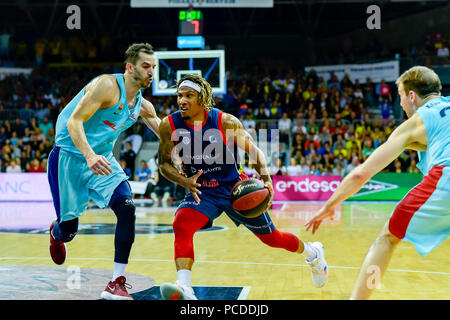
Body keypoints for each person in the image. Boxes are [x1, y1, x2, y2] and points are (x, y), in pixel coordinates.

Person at [157, 74, 328, 300]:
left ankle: (313, 253)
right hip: (203, 191)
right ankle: (185, 286)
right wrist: (184, 181)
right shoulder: (168, 125)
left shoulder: (225, 121)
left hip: (235, 189)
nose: (182, 100)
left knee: (273, 239)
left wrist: (266, 179)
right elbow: (163, 164)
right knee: (181, 223)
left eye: (189, 95)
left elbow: (253, 150)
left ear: (203, 98)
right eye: (180, 95)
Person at [306, 66, 450, 300]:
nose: (401, 104)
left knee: (388, 237)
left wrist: (330, 205)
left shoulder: (415, 122)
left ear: (411, 96)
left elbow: (361, 175)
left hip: (446, 178)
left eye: (401, 97)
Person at [46, 43, 160, 300]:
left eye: (153, 67)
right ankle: (56, 233)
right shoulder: (107, 86)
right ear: (130, 67)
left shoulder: (143, 106)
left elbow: (168, 135)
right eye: (145, 66)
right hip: (69, 157)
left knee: (127, 207)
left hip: (103, 161)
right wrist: (88, 155)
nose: (151, 72)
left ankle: (116, 283)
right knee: (69, 231)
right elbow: (74, 121)